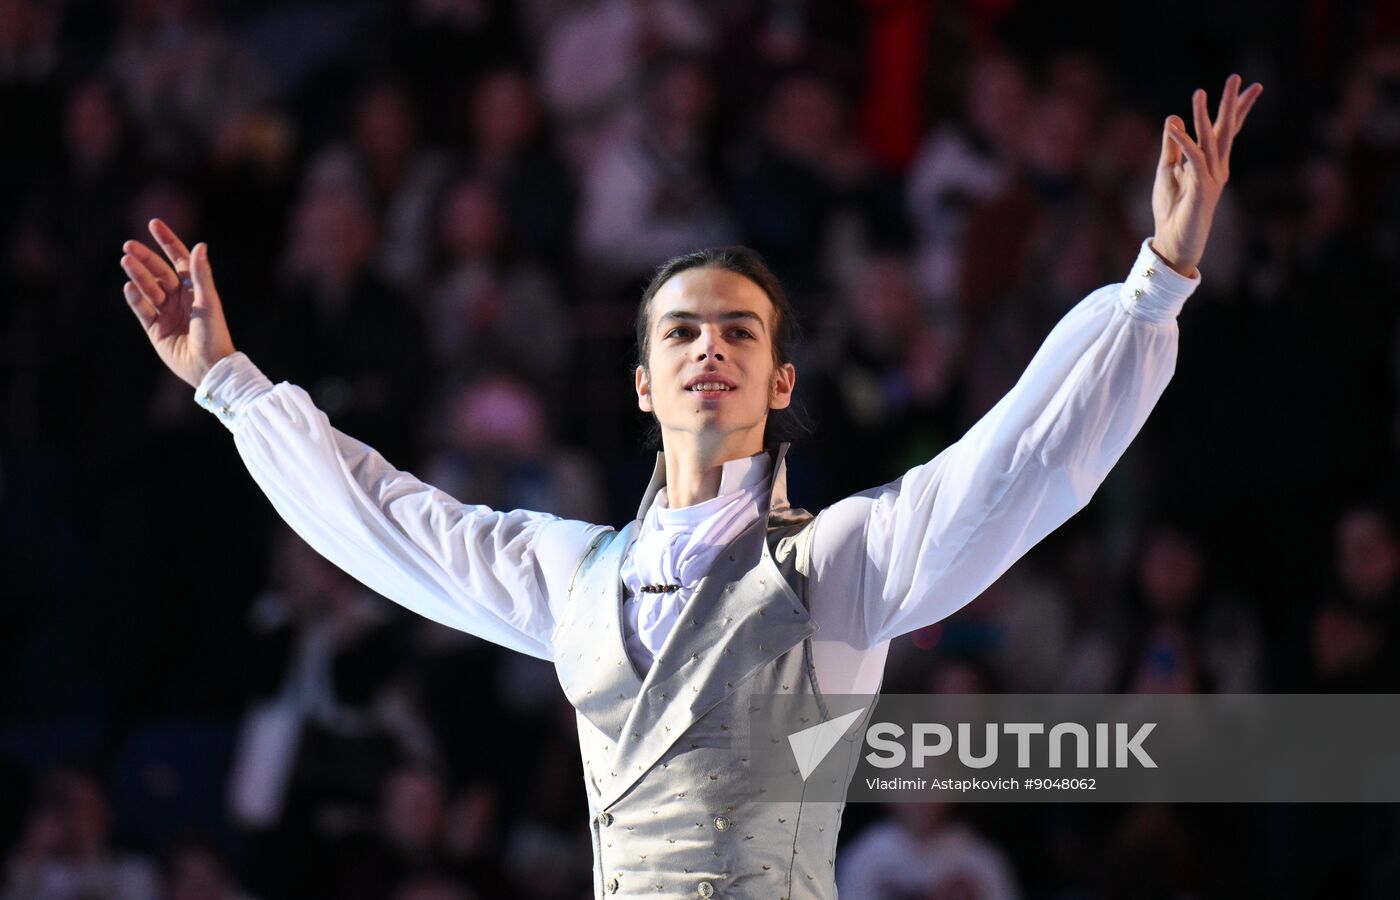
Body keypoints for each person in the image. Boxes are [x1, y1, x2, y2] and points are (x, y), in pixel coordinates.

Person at [120, 78, 1262, 899]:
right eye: (679, 331)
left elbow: (1011, 463)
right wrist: (227, 382)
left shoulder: (841, 563)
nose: (706, 347)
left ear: (779, 379)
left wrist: (1150, 286)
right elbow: (392, 524)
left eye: (737, 329)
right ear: (639, 381)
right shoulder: (574, 574)